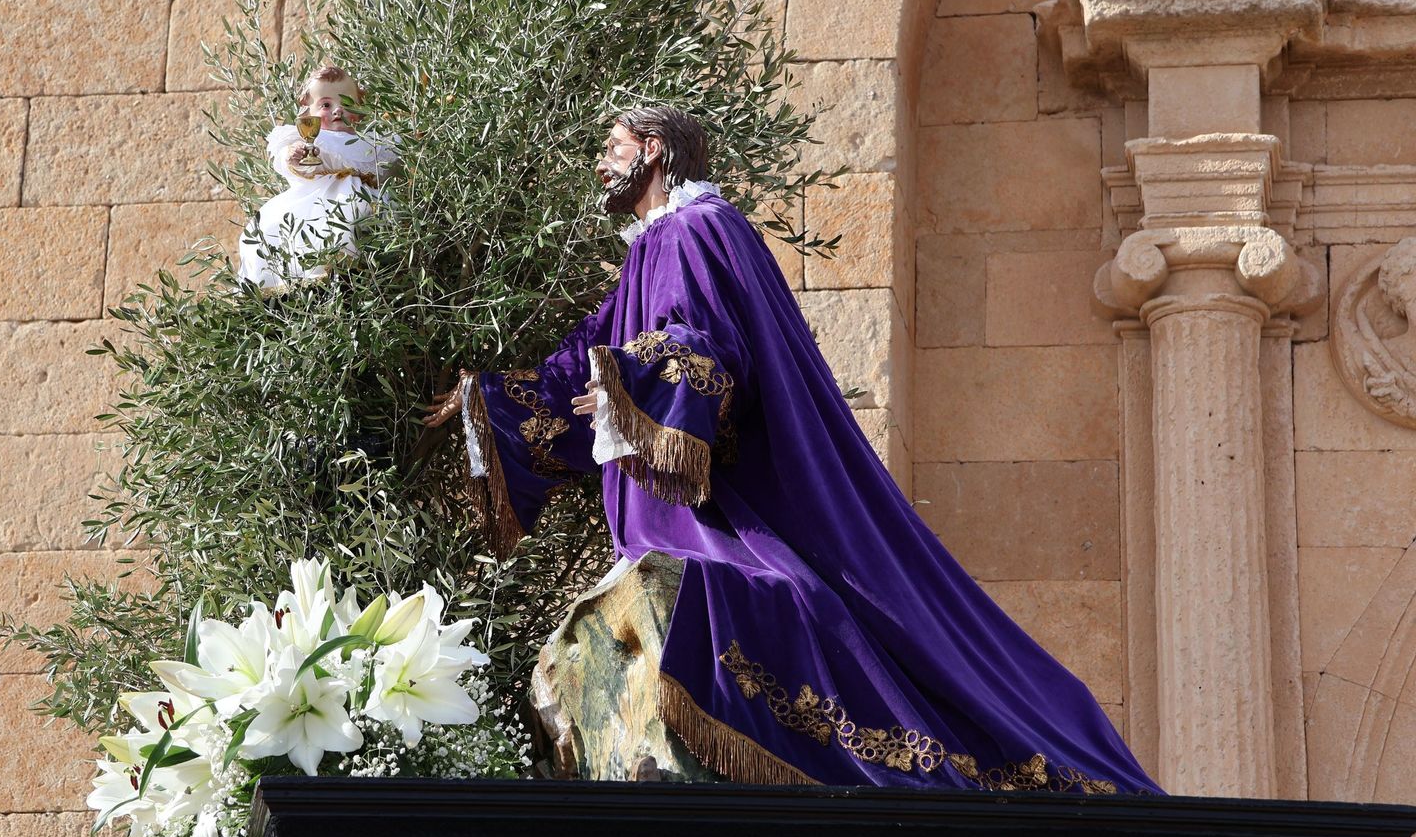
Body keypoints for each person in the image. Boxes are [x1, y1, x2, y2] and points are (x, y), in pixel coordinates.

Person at [424, 106, 1161, 793]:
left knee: (778, 598)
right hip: (668, 509)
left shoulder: (695, 229)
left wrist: (631, 385)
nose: (598, 164)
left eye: (611, 147)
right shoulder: (651, 247)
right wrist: (489, 401)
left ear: (652, 149)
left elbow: (704, 342)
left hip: (727, 509)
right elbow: (586, 351)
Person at [238, 66, 400, 288]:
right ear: (308, 110)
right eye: (326, 105)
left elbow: (392, 170)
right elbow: (287, 159)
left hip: (361, 200)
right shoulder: (311, 137)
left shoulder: (372, 142)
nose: (337, 110)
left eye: (346, 103)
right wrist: (294, 155)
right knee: (267, 228)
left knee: (355, 217)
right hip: (314, 201)